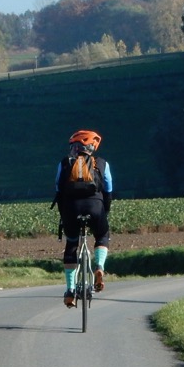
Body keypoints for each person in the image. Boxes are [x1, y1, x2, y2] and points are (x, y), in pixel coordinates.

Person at [52, 129, 113, 307]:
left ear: (77, 147)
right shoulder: (101, 163)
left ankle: (70, 290)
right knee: (102, 235)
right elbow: (108, 191)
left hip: (71, 208)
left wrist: (64, 216)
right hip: (95, 206)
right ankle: (99, 267)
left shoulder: (64, 163)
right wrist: (104, 212)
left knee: (71, 243)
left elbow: (58, 190)